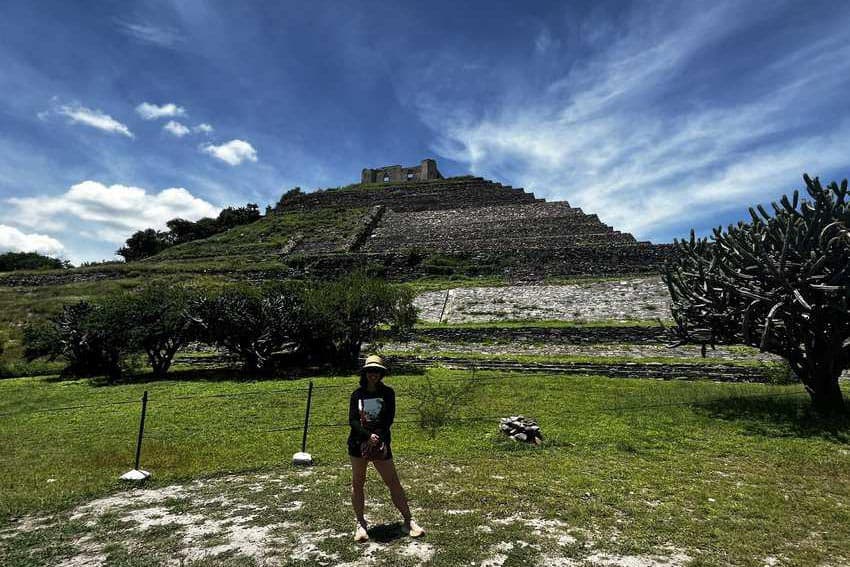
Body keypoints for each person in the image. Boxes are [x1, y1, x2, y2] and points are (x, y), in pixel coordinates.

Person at [348, 354, 424, 542]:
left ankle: (409, 520)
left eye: (377, 371)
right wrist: (367, 436)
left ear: (381, 374)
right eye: (370, 371)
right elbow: (352, 420)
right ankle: (360, 523)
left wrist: (377, 437)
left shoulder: (388, 393)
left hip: (381, 443)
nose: (373, 374)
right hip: (358, 444)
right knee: (358, 483)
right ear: (365, 373)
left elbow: (388, 418)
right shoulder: (357, 394)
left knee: (393, 482)